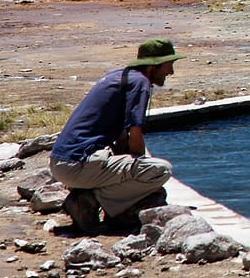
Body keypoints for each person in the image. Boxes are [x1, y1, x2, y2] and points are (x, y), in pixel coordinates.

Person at [49, 38, 182, 235]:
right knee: (160, 171)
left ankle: (91, 199)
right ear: (153, 66)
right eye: (168, 65)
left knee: (139, 170)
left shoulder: (119, 77)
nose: (171, 72)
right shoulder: (140, 83)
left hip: (62, 162)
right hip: (77, 166)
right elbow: (134, 135)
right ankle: (88, 200)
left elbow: (121, 138)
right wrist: (143, 171)